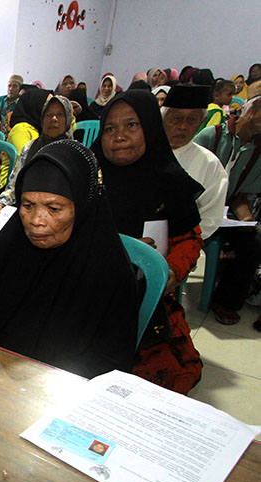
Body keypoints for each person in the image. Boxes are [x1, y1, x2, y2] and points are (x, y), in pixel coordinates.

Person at [0, 139, 138, 379]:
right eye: (27, 205)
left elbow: (109, 362)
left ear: (82, 208)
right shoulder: (14, 241)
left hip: (61, 386)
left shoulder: (109, 272)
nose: (36, 220)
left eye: (54, 208)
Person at [92, 89, 205, 393]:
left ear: (151, 128)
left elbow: (189, 239)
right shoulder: (89, 177)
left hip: (145, 294)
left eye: (132, 125)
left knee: (153, 381)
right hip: (88, 287)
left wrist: (169, 271)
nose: (119, 136)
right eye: (110, 129)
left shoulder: (170, 180)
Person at [194, 95, 261, 328]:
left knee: (251, 244)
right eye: (258, 109)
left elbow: (241, 196)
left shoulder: (257, 150)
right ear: (243, 110)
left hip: (225, 214)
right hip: (195, 207)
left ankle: (225, 302)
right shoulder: (211, 136)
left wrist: (247, 220)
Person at [161, 85, 228, 241]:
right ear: (162, 118)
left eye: (192, 120)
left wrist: (180, 241)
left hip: (181, 243)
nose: (183, 126)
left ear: (202, 122)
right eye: (176, 118)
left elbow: (209, 218)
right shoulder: (139, 151)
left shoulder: (210, 164)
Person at [0, 94, 74, 210]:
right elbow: (15, 184)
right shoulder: (30, 147)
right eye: (49, 115)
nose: (54, 119)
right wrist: (3, 203)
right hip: (27, 208)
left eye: (60, 114)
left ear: (68, 118)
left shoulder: (74, 152)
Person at [3, 87, 53, 188]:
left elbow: (67, 128)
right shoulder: (21, 130)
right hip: (11, 185)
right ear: (36, 105)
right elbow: (22, 164)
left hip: (31, 179)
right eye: (48, 104)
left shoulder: (39, 127)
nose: (51, 109)